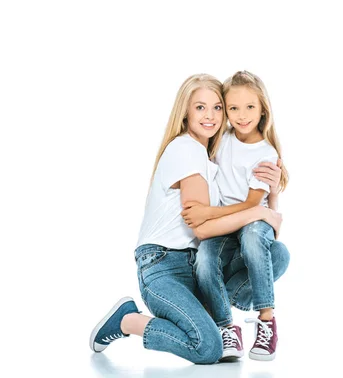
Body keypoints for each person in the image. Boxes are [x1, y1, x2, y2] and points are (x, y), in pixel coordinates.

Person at [89, 74, 282, 364]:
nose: (211, 116)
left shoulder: (209, 157)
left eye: (217, 108)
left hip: (194, 266)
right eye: (200, 108)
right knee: (207, 348)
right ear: (186, 112)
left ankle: (214, 319)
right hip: (163, 265)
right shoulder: (185, 149)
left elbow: (233, 220)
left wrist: (272, 195)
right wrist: (256, 210)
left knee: (276, 254)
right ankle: (127, 320)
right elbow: (203, 229)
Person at [183, 71, 289, 361]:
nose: (242, 116)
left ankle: (267, 319)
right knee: (205, 260)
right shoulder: (222, 140)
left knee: (255, 237)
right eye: (233, 108)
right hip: (226, 225)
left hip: (254, 220)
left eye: (250, 107)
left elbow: (253, 205)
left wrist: (207, 213)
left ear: (263, 108)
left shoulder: (264, 153)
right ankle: (226, 327)